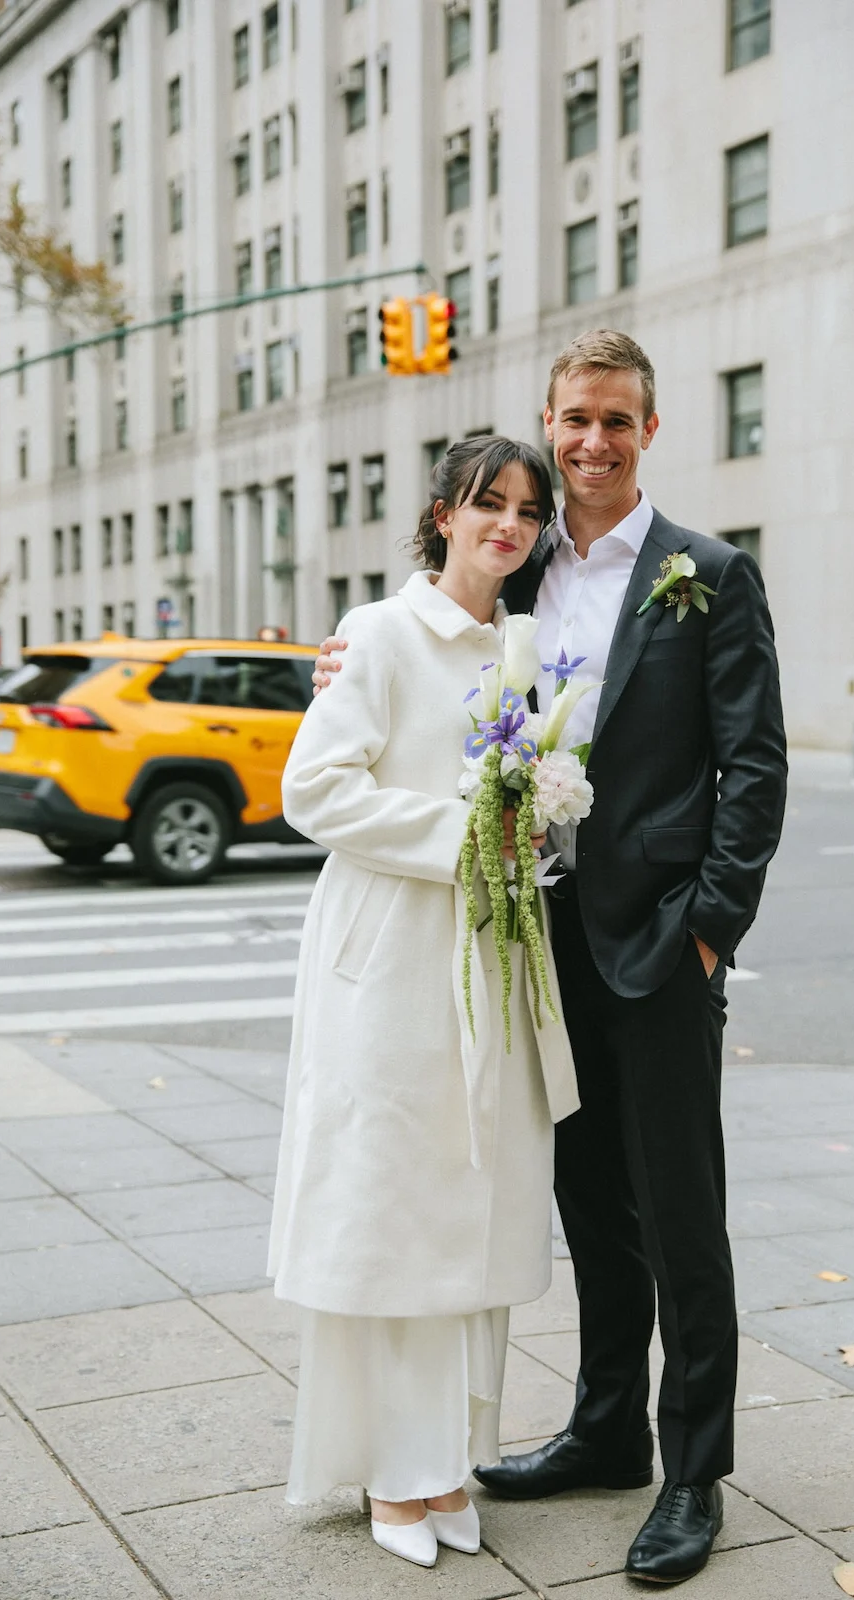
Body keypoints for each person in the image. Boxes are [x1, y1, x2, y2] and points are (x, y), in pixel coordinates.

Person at [313, 329, 787, 1585]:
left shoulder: (707, 575)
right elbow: (439, 641)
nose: (589, 443)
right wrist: (348, 651)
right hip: (530, 955)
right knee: (587, 1207)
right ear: (548, 416)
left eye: (614, 422)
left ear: (648, 430)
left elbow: (755, 769)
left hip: (659, 950)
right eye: (572, 418)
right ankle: (602, 1429)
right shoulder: (518, 572)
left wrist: (707, 931)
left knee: (681, 1214)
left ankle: (692, 1473)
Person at [268, 435, 580, 1570]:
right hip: (392, 956)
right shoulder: (379, 632)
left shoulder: (521, 646)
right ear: (441, 513)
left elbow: (536, 794)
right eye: (486, 502)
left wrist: (540, 826)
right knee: (394, 1212)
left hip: (492, 956)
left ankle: (449, 1458)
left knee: (473, 1212)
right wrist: (468, 836)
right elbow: (314, 790)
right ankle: (398, 1475)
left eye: (525, 510)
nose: (507, 523)